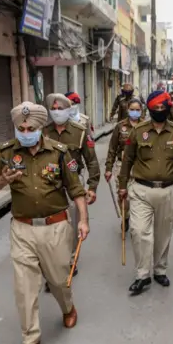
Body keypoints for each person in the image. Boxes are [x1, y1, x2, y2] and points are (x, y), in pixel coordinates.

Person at [0, 102, 89, 344]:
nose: (25, 130)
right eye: (21, 127)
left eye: (30, 127)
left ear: (41, 128)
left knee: (58, 279)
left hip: (55, 227)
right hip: (22, 228)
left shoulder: (60, 153)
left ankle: (67, 306)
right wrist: (2, 181)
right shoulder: (7, 153)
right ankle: (30, 337)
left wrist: (83, 220)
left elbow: (76, 190)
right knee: (24, 285)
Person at [118, 90, 173, 295]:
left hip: (168, 190)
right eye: (156, 108)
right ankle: (142, 274)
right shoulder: (139, 131)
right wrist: (122, 185)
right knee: (139, 231)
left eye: (163, 108)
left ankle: (160, 270)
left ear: (168, 108)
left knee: (163, 234)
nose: (160, 111)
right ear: (150, 109)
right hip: (141, 189)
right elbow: (127, 159)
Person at [42, 93, 100, 285]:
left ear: (68, 110)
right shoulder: (44, 132)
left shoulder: (80, 131)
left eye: (61, 109)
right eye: (54, 109)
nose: (57, 112)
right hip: (50, 183)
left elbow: (91, 161)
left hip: (74, 182)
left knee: (74, 223)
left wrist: (92, 186)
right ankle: (54, 263)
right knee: (52, 224)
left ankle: (70, 259)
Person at [104, 98, 145, 231]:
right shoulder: (120, 126)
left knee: (139, 195)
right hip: (122, 166)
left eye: (137, 110)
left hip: (140, 166)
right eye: (132, 109)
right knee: (123, 194)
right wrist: (108, 168)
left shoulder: (145, 126)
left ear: (141, 111)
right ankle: (125, 217)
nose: (134, 112)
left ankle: (136, 218)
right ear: (127, 110)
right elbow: (112, 148)